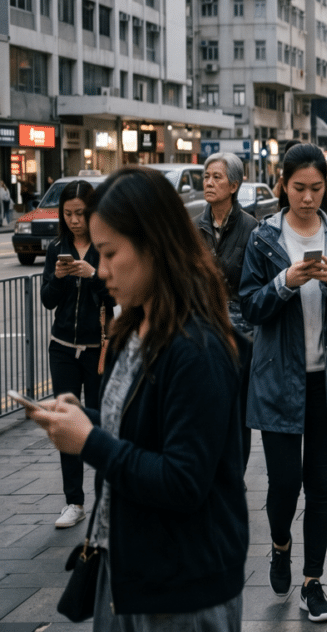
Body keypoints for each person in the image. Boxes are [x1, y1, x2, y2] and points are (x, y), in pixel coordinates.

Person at [29, 165, 248, 630]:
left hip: (182, 586)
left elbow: (183, 480)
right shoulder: (133, 325)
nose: (100, 270)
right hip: (127, 565)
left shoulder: (197, 348)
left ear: (154, 245)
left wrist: (89, 441)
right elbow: (138, 426)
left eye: (109, 254)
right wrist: (80, 417)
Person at [240, 143, 327, 622]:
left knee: (320, 485)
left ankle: (313, 581)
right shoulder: (264, 238)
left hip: (325, 383)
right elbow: (249, 305)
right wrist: (284, 281)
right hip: (277, 380)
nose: (308, 198)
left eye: (316, 188)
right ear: (283, 184)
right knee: (283, 485)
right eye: (299, 188)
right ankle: (279, 545)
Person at [40, 180, 114, 529]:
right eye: (68, 214)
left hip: (98, 349)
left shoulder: (107, 246)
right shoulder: (57, 248)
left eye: (80, 214)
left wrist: (95, 274)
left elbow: (116, 296)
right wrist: (57, 277)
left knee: (100, 421)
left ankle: (105, 498)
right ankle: (74, 501)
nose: (74, 220)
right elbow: (48, 300)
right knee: (64, 420)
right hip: (63, 349)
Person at [198, 152, 259, 471]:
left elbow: (254, 285)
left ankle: (236, 471)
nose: (209, 182)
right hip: (204, 330)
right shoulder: (195, 228)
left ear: (234, 185)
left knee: (237, 409)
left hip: (240, 333)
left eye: (217, 177)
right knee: (205, 405)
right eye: (206, 176)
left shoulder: (252, 229)